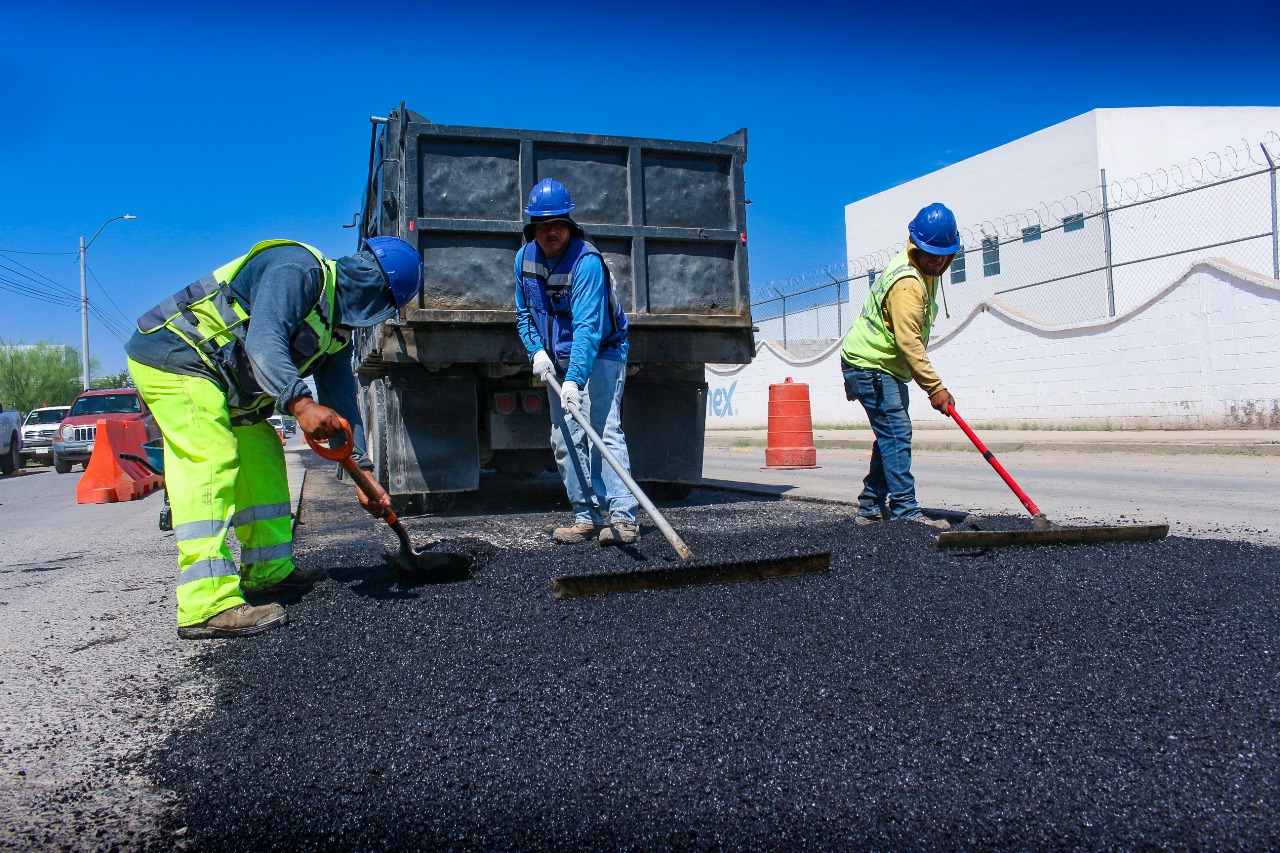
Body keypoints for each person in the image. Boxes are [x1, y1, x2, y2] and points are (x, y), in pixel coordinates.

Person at [126, 237, 423, 639]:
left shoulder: (336, 333)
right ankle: (205, 603)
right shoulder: (296, 268)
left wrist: (364, 474)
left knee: (263, 456)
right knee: (212, 457)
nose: (369, 313)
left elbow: (341, 403)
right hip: (179, 357)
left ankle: (268, 572)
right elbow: (265, 341)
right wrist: (300, 404)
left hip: (228, 385)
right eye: (376, 299)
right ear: (366, 276)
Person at [514, 179, 639, 546]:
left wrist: (575, 381)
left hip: (601, 352)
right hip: (556, 357)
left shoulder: (587, 263)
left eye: (557, 224)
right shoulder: (524, 260)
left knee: (603, 430)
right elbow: (524, 314)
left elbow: (588, 327)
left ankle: (622, 517)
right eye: (542, 224)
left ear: (569, 225)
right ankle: (587, 516)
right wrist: (535, 351)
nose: (551, 231)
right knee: (564, 437)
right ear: (533, 228)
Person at [838, 203, 961, 531]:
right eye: (930, 252)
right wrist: (935, 387)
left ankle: (869, 507)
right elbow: (909, 343)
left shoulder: (926, 271)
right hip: (869, 364)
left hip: (882, 365)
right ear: (915, 245)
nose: (937, 260)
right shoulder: (907, 283)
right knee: (896, 433)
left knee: (890, 434)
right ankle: (905, 511)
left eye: (943, 254)